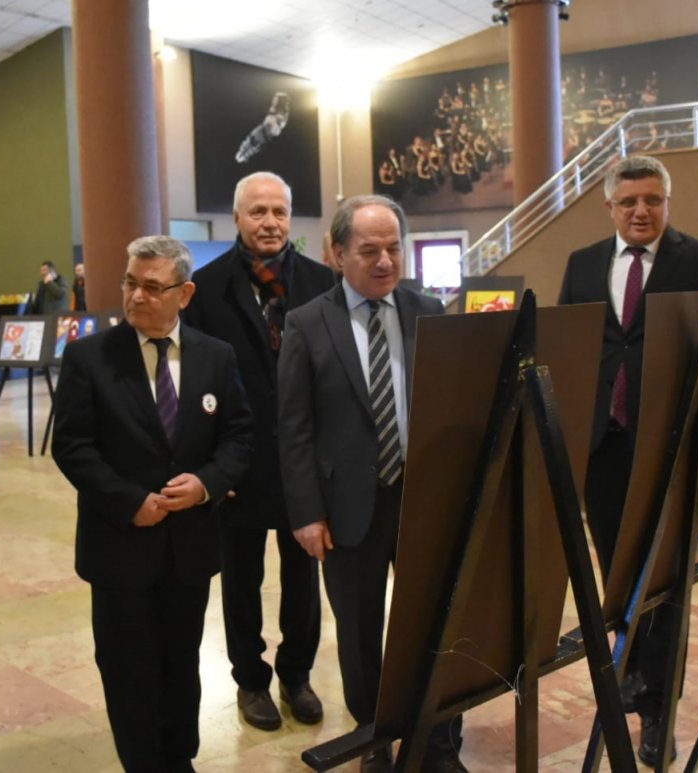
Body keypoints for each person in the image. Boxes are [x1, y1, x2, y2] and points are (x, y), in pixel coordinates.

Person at [52, 235, 252, 772]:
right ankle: (142, 762)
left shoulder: (215, 356)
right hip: (119, 547)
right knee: (126, 666)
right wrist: (128, 501)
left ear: (184, 294)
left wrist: (206, 483)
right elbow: (71, 446)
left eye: (153, 287)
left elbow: (239, 435)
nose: (137, 297)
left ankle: (179, 756)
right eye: (130, 283)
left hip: (189, 547)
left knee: (180, 661)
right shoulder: (88, 358)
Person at [278, 196, 463, 773]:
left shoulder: (428, 308)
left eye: (393, 248)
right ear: (337, 254)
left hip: (422, 502)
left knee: (436, 622)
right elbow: (294, 428)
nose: (384, 261)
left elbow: (452, 407)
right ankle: (373, 738)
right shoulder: (307, 323)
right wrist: (307, 512)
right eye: (369, 250)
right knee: (360, 634)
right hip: (348, 507)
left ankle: (436, 740)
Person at [557, 154, 698, 766]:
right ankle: (628, 675)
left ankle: (661, 707)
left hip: (668, 446)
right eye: (628, 201)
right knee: (617, 570)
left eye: (652, 200)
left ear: (667, 202)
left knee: (668, 582)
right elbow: (570, 350)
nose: (640, 211)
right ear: (609, 206)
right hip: (601, 446)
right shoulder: (581, 265)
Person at [182, 172, 335, 730]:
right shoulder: (205, 288)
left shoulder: (323, 283)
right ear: (237, 218)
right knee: (240, 580)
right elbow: (195, 378)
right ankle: (251, 680)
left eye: (279, 212)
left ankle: (297, 676)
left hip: (304, 461)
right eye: (257, 212)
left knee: (303, 579)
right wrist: (210, 467)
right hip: (236, 464)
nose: (269, 222)